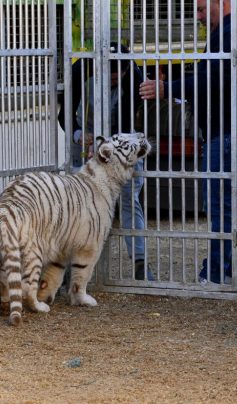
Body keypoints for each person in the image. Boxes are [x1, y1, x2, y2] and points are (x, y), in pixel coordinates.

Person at [140, 0, 233, 285]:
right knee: (224, 206)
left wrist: (168, 88)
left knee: (221, 207)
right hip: (219, 134)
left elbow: (212, 79)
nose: (199, 16)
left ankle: (219, 273)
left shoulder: (229, 33)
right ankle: (226, 269)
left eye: (204, 9)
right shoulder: (222, 33)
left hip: (224, 135)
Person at [59, 42, 154, 281]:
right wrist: (79, 135)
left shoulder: (132, 73)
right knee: (81, 200)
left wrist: (104, 145)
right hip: (85, 137)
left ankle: (140, 262)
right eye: (109, 77)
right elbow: (66, 113)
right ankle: (74, 265)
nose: (114, 81)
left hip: (118, 141)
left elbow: (126, 116)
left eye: (117, 78)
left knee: (129, 200)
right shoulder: (80, 69)